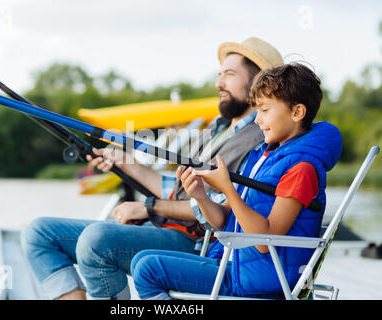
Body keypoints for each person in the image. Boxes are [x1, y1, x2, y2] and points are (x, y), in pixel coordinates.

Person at [20, 37, 283, 300]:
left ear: (258, 80)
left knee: (95, 240)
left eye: (229, 74)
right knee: (39, 233)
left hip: (197, 243)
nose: (219, 83)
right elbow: (179, 190)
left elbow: (223, 209)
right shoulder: (219, 127)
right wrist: (124, 162)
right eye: (219, 74)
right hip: (165, 229)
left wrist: (148, 207)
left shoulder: (260, 138)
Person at [131, 63, 343, 299]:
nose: (257, 120)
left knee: (148, 269)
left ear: (297, 112)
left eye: (264, 110)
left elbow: (265, 241)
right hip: (236, 266)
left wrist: (228, 189)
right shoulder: (265, 157)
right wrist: (200, 196)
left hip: (261, 281)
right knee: (141, 259)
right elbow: (223, 219)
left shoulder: (302, 170)